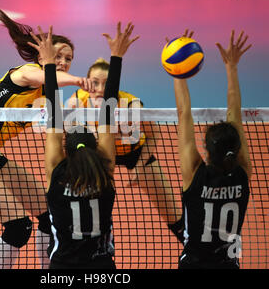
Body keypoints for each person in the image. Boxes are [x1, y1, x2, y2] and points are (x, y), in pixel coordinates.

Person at [0, 8, 95, 269]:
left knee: (49, 215)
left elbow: (60, 123)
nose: (64, 62)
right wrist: (79, 80)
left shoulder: (48, 90)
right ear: (43, 55)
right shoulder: (26, 74)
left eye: (68, 58)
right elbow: (50, 75)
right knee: (18, 225)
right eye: (57, 56)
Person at [27, 22, 139, 268]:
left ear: (65, 150)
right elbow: (108, 111)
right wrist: (117, 57)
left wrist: (47, 63)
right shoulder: (104, 174)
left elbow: (54, 112)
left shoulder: (57, 174)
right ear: (97, 148)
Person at [67, 59, 183, 242]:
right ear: (87, 82)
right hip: (100, 156)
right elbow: (69, 139)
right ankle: (104, 243)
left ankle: (191, 247)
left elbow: (153, 135)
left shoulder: (131, 105)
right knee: (95, 207)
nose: (100, 89)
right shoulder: (76, 102)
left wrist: (140, 165)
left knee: (172, 213)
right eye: (95, 82)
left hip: (134, 154)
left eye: (106, 83)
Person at [173, 30, 252, 269]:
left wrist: (178, 70)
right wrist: (232, 68)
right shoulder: (242, 173)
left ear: (205, 149)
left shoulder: (196, 174)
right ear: (236, 149)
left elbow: (184, 113)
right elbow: (235, 115)